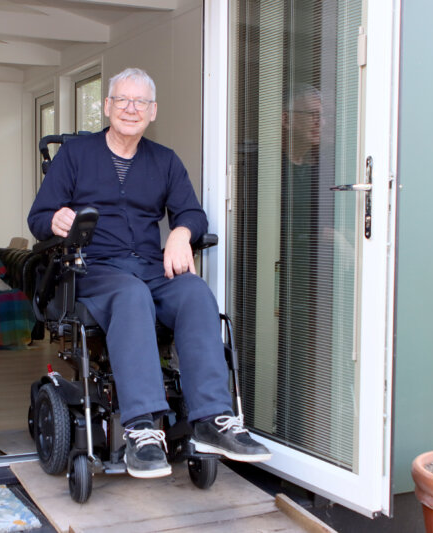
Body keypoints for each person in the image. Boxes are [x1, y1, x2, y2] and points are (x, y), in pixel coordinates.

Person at [28, 67, 271, 479]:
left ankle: (213, 419)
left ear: (152, 111)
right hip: (95, 270)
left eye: (140, 102)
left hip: (150, 267)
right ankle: (141, 430)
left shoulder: (164, 161)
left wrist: (180, 232)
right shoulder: (76, 156)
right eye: (122, 100)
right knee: (130, 294)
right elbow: (38, 218)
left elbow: (192, 212)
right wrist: (56, 220)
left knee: (194, 291)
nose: (130, 108)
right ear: (107, 106)